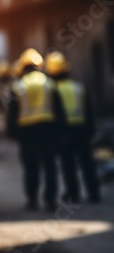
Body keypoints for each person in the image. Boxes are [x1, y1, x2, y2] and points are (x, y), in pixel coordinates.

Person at [7, 48, 65, 211]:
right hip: (47, 130)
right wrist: (61, 131)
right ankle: (50, 200)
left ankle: (32, 200)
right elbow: (59, 110)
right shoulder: (49, 82)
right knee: (49, 166)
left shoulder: (17, 85)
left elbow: (12, 112)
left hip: (27, 132)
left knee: (31, 167)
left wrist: (11, 132)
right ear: (39, 65)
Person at [45, 51, 101, 203]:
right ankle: (94, 192)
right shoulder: (78, 87)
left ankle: (73, 194)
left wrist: (56, 134)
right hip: (82, 129)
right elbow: (89, 110)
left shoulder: (51, 89)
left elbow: (54, 114)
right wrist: (91, 130)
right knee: (87, 163)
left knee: (68, 164)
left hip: (64, 132)